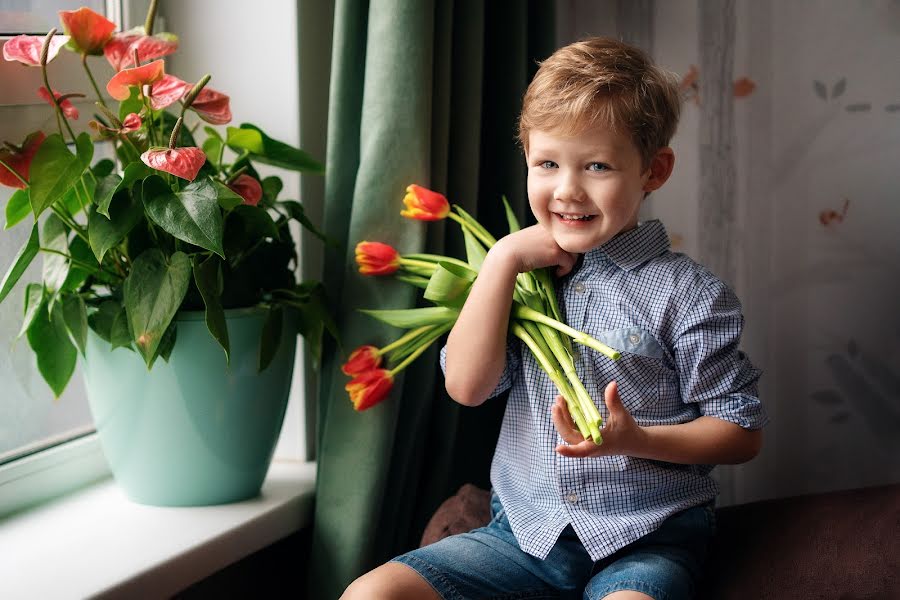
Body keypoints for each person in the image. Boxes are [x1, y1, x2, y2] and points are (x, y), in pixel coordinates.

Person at [342, 36, 768, 600]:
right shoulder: (518, 280)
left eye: (597, 165)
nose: (567, 190)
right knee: (370, 594)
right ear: (527, 161)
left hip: (645, 539)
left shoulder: (690, 295)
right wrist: (503, 260)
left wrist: (635, 439)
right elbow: (468, 388)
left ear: (653, 170)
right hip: (522, 537)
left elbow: (741, 433)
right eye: (547, 163)